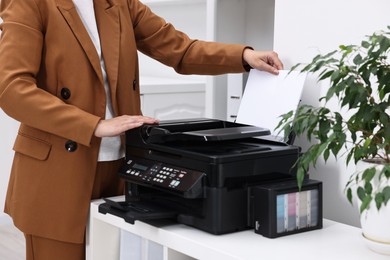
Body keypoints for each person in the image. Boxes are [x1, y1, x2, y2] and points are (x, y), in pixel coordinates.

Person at [0, 0, 283, 259]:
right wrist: (93, 125)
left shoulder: (120, 3)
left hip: (121, 167)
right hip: (57, 170)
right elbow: (12, 88)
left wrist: (243, 56)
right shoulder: (31, 3)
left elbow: (180, 49)